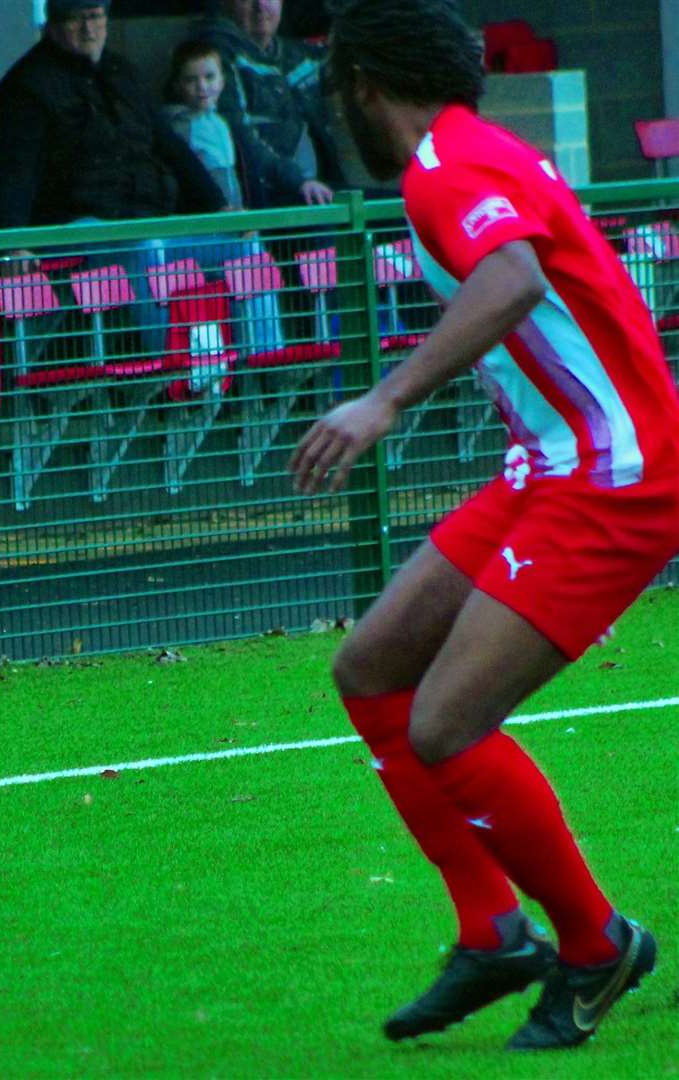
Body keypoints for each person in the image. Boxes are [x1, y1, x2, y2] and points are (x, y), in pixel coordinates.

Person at [288, 0, 675, 1051]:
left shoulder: (439, 168)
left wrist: (383, 400)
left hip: (612, 477)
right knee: (369, 670)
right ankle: (493, 932)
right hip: (548, 465)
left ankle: (595, 947)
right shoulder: (476, 145)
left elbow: (509, 280)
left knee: (443, 724)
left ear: (362, 83)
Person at [0, 0, 229, 357]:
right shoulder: (28, 84)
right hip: (75, 228)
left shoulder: (121, 71)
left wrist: (220, 206)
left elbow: (170, 145)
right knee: (146, 250)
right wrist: (14, 238)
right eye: (76, 20)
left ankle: (262, 375)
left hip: (144, 221)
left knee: (242, 245)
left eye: (96, 16)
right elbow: (13, 169)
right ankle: (175, 383)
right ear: (51, 25)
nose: (89, 29)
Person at [183, 0, 345, 190]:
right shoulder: (215, 58)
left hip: (322, 189)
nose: (260, 5)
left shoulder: (302, 55)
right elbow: (239, 136)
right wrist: (298, 181)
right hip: (269, 198)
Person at [160, 39, 333, 211]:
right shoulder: (178, 127)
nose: (202, 86)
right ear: (177, 86)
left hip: (235, 219)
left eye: (210, 77)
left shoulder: (220, 123)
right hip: (205, 224)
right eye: (191, 80)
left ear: (222, 81)